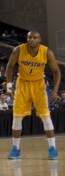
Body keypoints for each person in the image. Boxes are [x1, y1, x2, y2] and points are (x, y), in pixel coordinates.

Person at [6, 30, 61, 160]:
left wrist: (54, 91)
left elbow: (56, 72)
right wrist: (9, 86)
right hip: (22, 84)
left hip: (39, 85)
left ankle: (52, 148)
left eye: (35, 38)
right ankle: (16, 149)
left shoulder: (47, 52)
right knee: (17, 117)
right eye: (29, 37)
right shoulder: (18, 50)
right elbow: (10, 67)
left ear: (39, 40)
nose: (31, 39)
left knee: (45, 117)